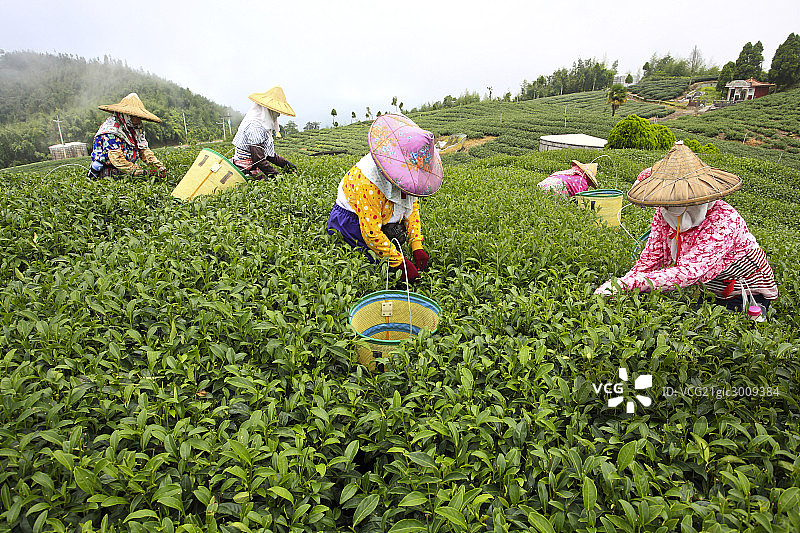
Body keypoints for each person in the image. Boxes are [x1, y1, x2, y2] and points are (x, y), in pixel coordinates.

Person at [595, 142, 777, 316]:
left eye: (674, 202)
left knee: (735, 327)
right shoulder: (664, 212)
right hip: (710, 286)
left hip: (746, 290)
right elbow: (652, 257)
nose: (667, 208)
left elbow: (689, 272)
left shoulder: (723, 219)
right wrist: (621, 284)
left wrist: (631, 284)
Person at [327, 114, 443, 283]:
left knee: (394, 246)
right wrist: (400, 263)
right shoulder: (368, 182)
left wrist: (417, 245)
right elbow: (371, 233)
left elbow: (412, 209)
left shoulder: (410, 179)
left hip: (382, 216)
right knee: (374, 265)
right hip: (352, 221)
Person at [89, 93, 167, 179]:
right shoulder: (111, 131)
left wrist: (158, 166)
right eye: (134, 116)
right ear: (125, 115)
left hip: (128, 170)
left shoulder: (135, 128)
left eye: (139, 117)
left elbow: (143, 150)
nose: (137, 120)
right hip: (109, 172)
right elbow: (117, 160)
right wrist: (141, 172)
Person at [232, 87, 297, 179]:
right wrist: (277, 177)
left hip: (254, 163)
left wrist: (287, 165)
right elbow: (258, 159)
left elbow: (268, 155)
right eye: (276, 111)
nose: (278, 115)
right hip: (244, 167)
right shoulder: (255, 128)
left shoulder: (262, 126)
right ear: (267, 110)